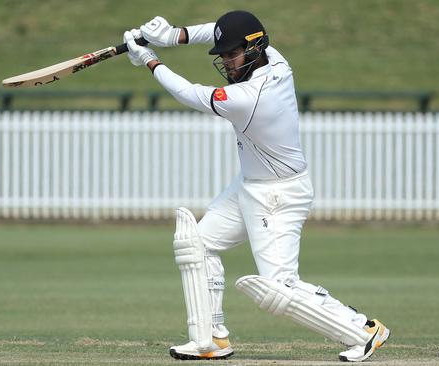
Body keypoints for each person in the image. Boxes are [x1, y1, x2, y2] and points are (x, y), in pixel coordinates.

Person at [123, 10, 390, 362]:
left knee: (279, 290)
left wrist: (151, 60)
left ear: (254, 49)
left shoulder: (250, 97)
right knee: (196, 245)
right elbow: (220, 32)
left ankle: (363, 330)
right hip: (250, 185)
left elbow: (189, 93)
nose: (228, 63)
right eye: (224, 55)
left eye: (232, 55)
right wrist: (174, 35)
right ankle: (211, 339)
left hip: (278, 196)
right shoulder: (276, 58)